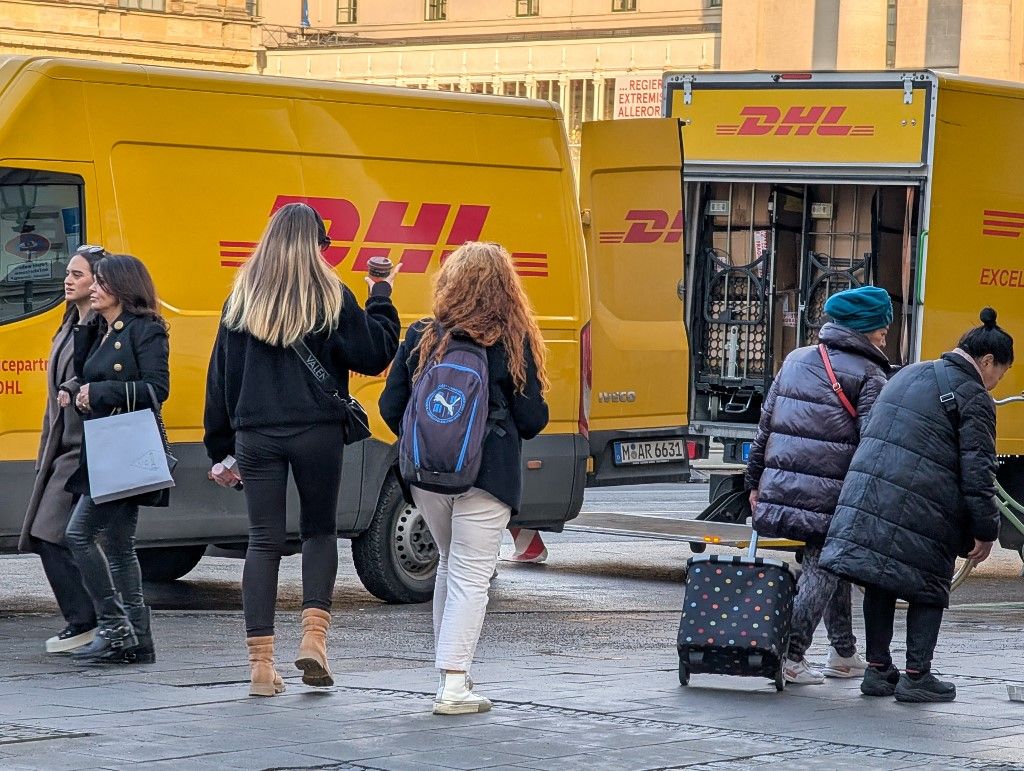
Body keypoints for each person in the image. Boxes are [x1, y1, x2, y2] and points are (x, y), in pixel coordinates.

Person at [203, 203, 400, 698]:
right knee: (318, 532)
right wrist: (381, 294)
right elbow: (374, 353)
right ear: (317, 245)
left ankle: (261, 667)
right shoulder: (331, 294)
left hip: (255, 434)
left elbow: (220, 378)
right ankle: (314, 640)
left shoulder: (242, 297)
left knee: (263, 541)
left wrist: (220, 447)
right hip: (316, 431)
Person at [379, 241, 549, 715]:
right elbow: (532, 418)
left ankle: (450, 673)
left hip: (426, 477)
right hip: (487, 476)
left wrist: (436, 443)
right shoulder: (511, 342)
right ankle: (454, 684)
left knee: (452, 566)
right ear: (505, 289)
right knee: (472, 573)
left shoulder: (421, 337)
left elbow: (391, 407)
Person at [820, 308, 1011, 703]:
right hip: (924, 502)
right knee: (927, 586)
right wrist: (985, 529)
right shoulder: (973, 394)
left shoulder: (908, 372)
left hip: (871, 492)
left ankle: (877, 671)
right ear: (988, 361)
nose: (995, 383)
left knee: (880, 579)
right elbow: (978, 468)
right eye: (1000, 374)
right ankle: (916, 675)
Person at [745, 285, 892, 685]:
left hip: (784, 484)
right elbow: (873, 446)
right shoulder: (870, 375)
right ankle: (790, 655)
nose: (885, 335)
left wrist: (753, 482)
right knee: (824, 565)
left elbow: (765, 427)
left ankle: (843, 652)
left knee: (829, 561)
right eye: (881, 327)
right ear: (863, 329)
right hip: (832, 493)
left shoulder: (796, 359)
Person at [63, 253, 170, 665]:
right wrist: (75, 390)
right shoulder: (101, 329)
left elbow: (157, 389)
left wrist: (101, 393)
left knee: (78, 535)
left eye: (102, 283)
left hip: (126, 449)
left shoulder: (146, 330)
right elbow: (88, 373)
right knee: (120, 545)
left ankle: (115, 627)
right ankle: (138, 641)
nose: (94, 288)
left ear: (124, 287)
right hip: (106, 448)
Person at [19, 245, 107, 654]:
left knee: (51, 534)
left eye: (78, 274)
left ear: (98, 282)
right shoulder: (70, 323)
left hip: (85, 449)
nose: (68, 280)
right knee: (61, 535)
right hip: (62, 446)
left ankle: (89, 619)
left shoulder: (102, 330)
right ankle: (97, 618)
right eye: (68, 273)